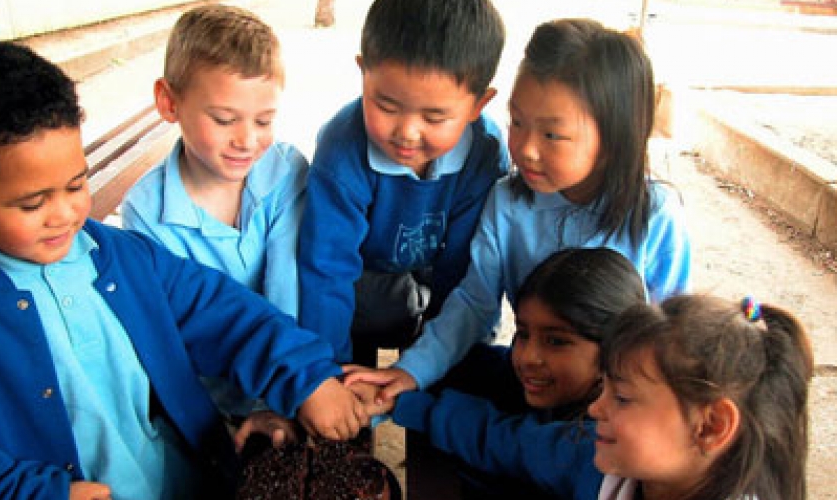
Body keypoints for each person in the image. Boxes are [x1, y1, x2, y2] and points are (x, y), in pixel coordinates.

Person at [0, 41, 367, 500]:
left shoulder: (115, 255)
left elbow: (223, 313)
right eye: (33, 202)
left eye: (77, 184)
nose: (64, 214)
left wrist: (305, 374)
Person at [346, 17, 692, 399]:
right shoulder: (508, 203)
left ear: (613, 138)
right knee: (462, 379)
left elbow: (670, 330)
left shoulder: (654, 214)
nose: (525, 148)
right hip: (537, 382)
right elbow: (474, 304)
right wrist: (410, 372)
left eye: (552, 134)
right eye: (517, 122)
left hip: (618, 396)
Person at [390, 294, 813, 500]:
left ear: (711, 426)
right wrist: (402, 401)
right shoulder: (600, 459)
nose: (595, 408)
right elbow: (512, 443)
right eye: (605, 387)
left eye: (623, 398)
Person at [120, 5, 307, 444]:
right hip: (214, 402)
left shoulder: (285, 171)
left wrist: (283, 400)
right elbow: (177, 331)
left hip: (293, 379)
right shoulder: (145, 213)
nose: (246, 139)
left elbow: (289, 293)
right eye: (224, 120)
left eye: (264, 120)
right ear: (169, 102)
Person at [296, 0, 510, 366]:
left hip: (436, 272)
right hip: (363, 273)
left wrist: (435, 361)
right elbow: (328, 271)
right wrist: (328, 377)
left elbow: (466, 268)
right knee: (351, 362)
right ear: (363, 73)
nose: (407, 133)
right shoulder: (343, 150)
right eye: (387, 107)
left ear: (479, 104)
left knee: (450, 370)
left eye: (435, 116)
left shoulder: (484, 152)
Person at [425, 247, 648, 498]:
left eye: (555, 341)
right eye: (522, 334)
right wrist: (418, 371)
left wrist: (415, 407)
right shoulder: (563, 386)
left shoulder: (597, 443)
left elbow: (509, 442)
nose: (527, 357)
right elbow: (494, 367)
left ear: (613, 352)